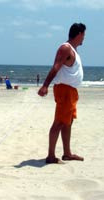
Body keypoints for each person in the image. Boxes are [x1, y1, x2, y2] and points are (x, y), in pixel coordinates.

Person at [37, 23, 86, 164]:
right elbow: (56, 66)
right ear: (79, 34)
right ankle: (51, 156)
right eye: (84, 35)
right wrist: (45, 85)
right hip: (64, 90)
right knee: (59, 122)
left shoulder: (73, 50)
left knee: (68, 122)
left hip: (71, 91)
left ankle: (67, 153)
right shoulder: (66, 48)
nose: (84, 38)